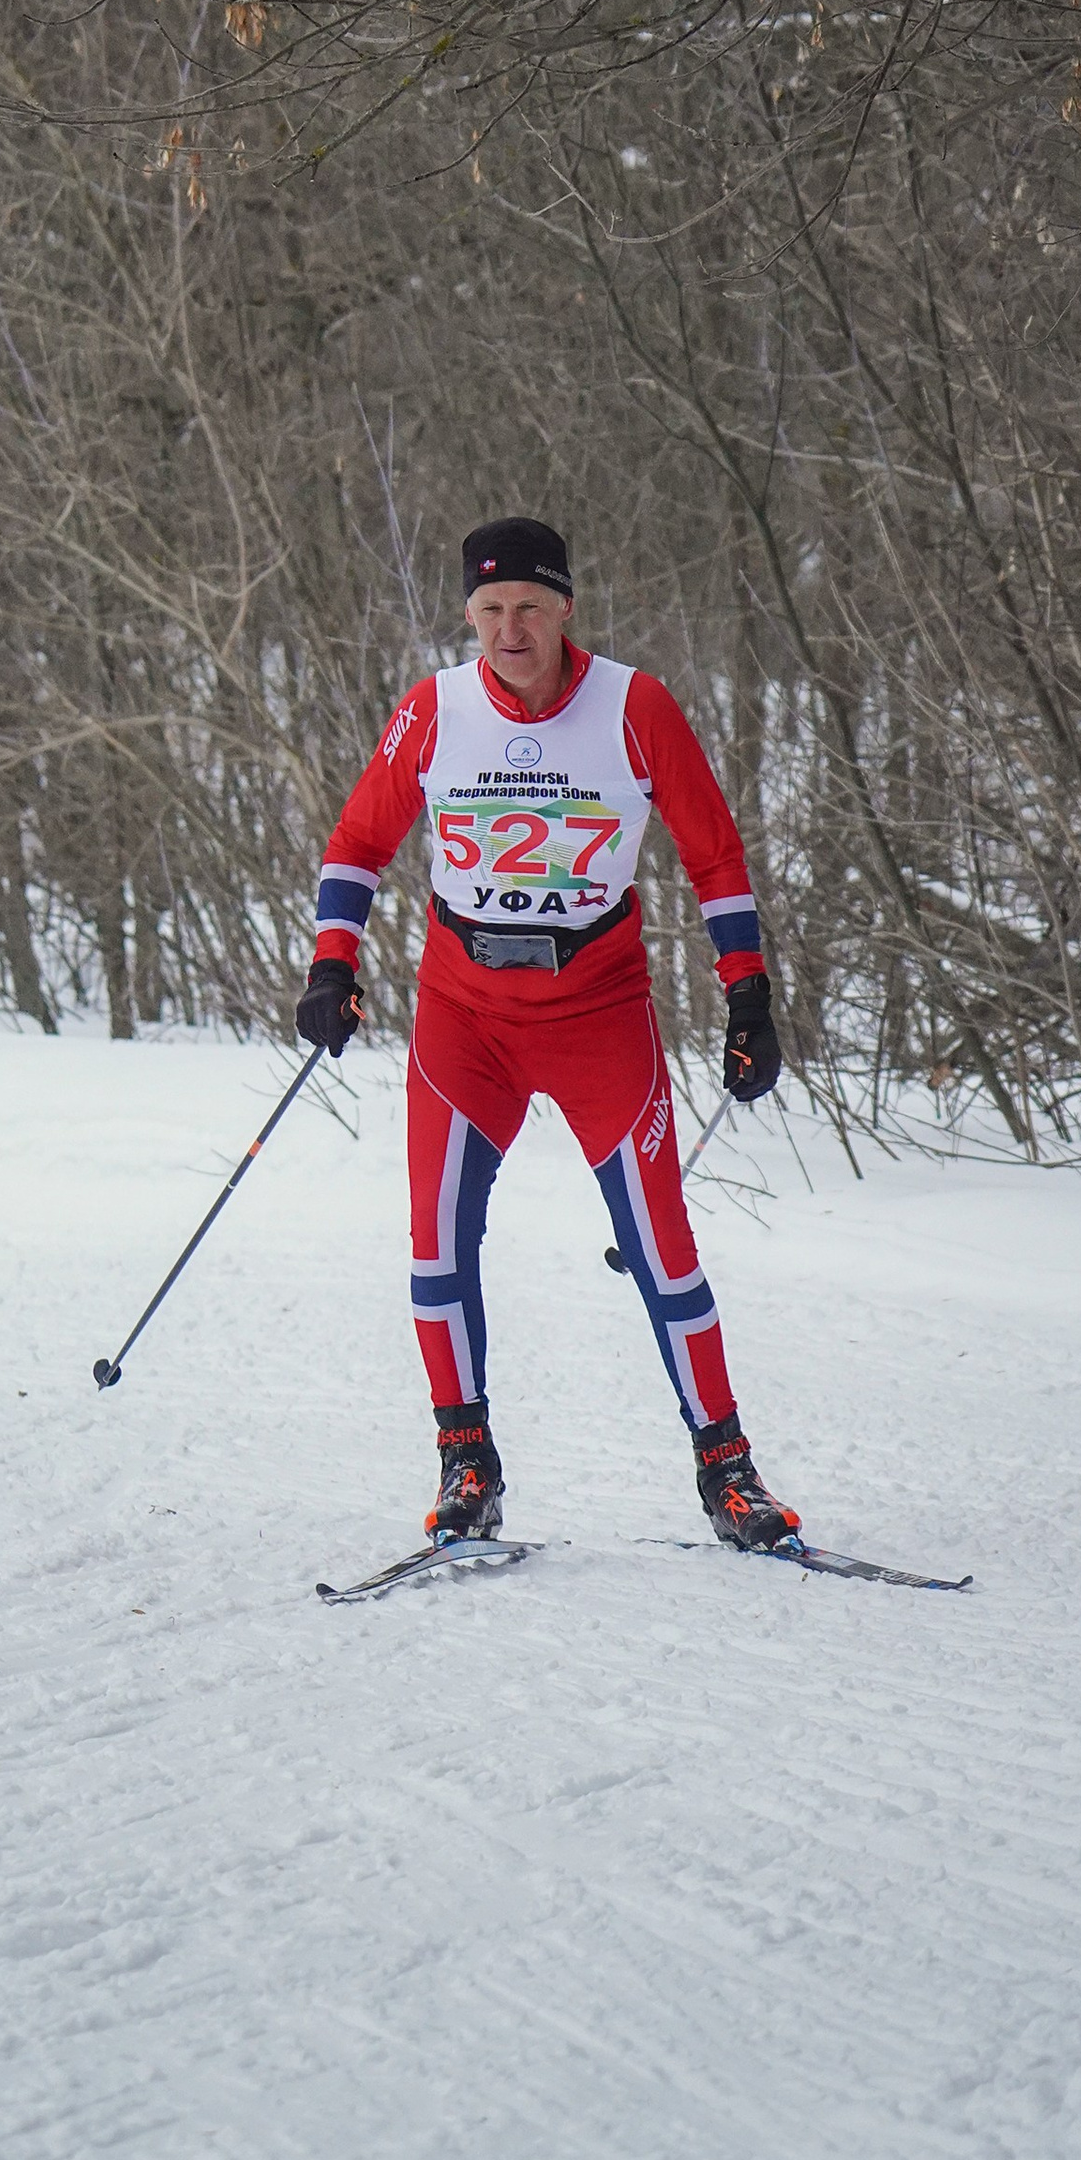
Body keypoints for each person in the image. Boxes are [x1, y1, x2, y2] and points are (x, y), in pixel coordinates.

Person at [294, 515, 803, 1552]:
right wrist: (331, 961)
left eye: (527, 607)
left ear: (565, 607)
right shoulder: (433, 709)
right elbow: (358, 839)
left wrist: (746, 995)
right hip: (463, 1017)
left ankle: (727, 1469)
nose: (507, 631)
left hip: (596, 1011)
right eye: (487, 611)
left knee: (661, 1242)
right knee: (436, 1245)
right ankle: (465, 1464)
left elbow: (713, 853)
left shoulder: (634, 705)